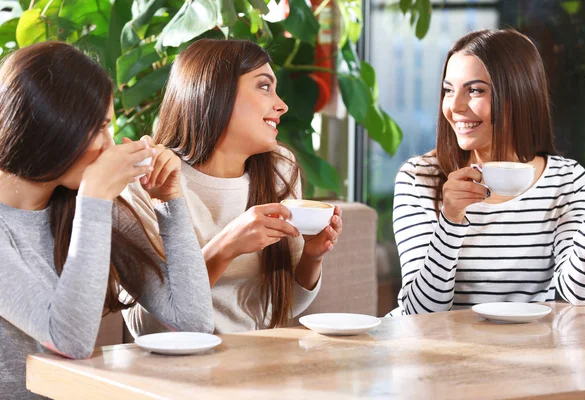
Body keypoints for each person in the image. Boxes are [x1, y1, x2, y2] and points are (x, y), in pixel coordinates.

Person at [0, 42, 213, 398]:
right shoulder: (89, 203)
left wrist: (170, 200)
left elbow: (193, 321)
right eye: (98, 128)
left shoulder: (82, 206)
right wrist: (95, 198)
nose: (110, 144)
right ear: (52, 126)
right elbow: (70, 340)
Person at [125, 39, 343, 334]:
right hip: (177, 371)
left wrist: (311, 257)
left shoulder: (280, 168)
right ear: (216, 92)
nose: (282, 105)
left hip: (261, 364)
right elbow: (145, 326)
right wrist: (226, 247)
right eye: (265, 86)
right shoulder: (148, 181)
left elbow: (284, 305)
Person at [390, 29, 585, 315]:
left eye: (475, 90)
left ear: (518, 94)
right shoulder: (420, 178)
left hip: (534, 353)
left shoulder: (566, 181)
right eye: (449, 90)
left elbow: (577, 296)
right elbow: (419, 313)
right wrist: (450, 220)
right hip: (441, 353)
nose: (454, 106)